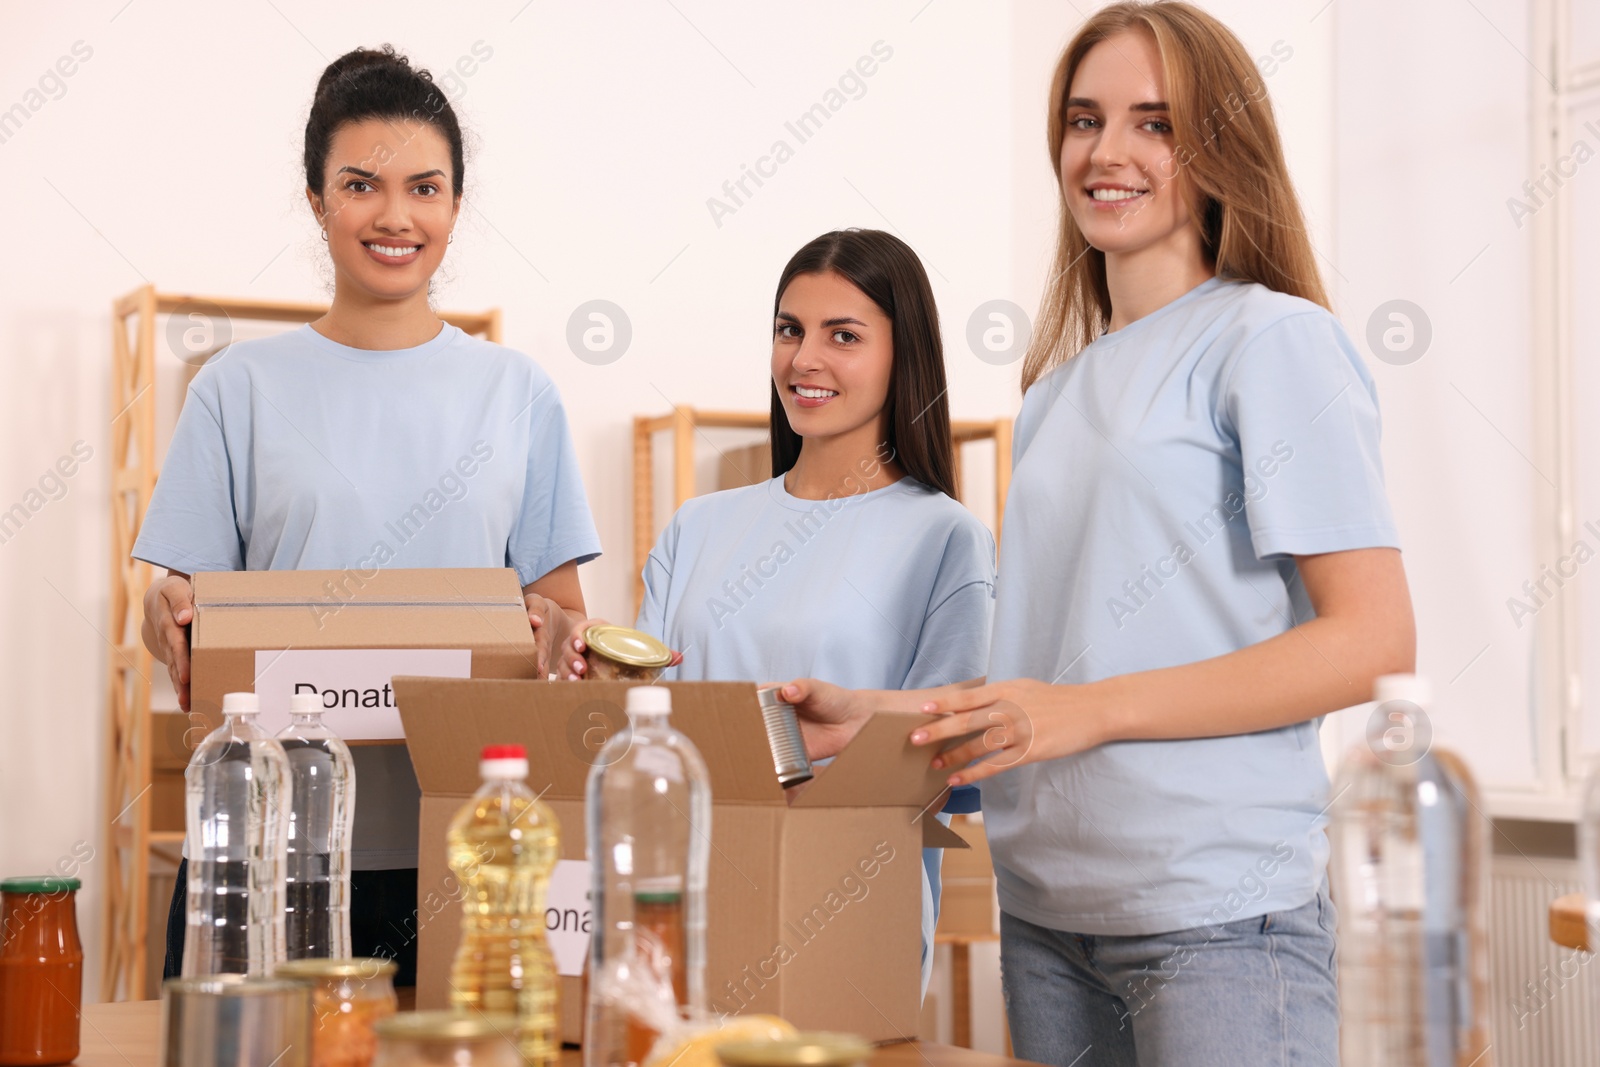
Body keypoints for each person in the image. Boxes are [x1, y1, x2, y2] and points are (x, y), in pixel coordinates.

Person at [777, 5, 1415, 1064]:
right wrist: (879, 714)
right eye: (1084, 119)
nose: (1106, 152)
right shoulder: (1053, 392)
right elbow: (1046, 680)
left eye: (1154, 124)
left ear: (1221, 149)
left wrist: (1084, 712)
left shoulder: (1271, 341)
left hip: (1214, 919)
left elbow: (1372, 638)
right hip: (1048, 917)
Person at [135, 45, 601, 983]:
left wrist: (558, 634)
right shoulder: (238, 389)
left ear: (455, 206)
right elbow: (180, 602)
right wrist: (165, 614)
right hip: (269, 850)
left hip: (464, 850)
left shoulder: (516, 392)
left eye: (425, 187)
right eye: (361, 184)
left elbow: (565, 618)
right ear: (317, 200)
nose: (396, 216)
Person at [564, 229, 996, 996]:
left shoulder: (945, 538)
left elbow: (942, 750)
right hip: (676, 898)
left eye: (844, 335)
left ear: (905, 356)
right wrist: (588, 671)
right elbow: (643, 714)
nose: (804, 359)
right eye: (790, 330)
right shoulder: (697, 526)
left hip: (844, 909)